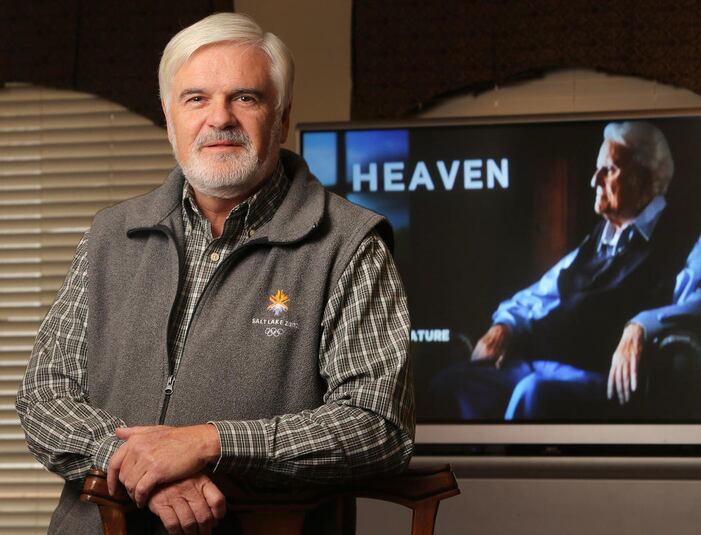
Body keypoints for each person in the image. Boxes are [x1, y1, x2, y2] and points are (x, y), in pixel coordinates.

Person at [16, 13, 414, 535]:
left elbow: (377, 425)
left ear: (282, 116)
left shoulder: (349, 243)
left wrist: (209, 442)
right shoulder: (110, 235)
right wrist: (145, 466)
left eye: (245, 97)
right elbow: (44, 394)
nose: (219, 118)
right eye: (196, 98)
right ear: (169, 116)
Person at [434, 121, 701, 420]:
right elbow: (541, 294)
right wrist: (504, 326)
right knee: (452, 384)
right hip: (541, 362)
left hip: (598, 377)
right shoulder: (600, 237)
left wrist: (642, 325)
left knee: (533, 393)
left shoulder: (692, 237)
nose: (594, 180)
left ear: (643, 178)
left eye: (609, 169)